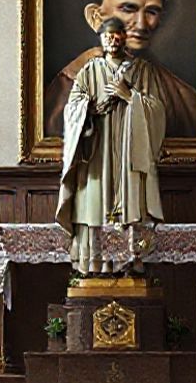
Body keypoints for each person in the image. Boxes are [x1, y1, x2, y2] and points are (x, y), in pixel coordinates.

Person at [44, 0, 196, 139]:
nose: (142, 24)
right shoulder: (70, 83)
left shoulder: (183, 96)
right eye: (128, 9)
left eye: (151, 11)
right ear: (96, 17)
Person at [55, 17, 165, 274]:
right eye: (107, 36)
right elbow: (71, 110)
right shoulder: (89, 71)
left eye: (117, 35)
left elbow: (158, 110)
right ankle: (95, 265)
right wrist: (91, 109)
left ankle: (130, 264)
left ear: (124, 38)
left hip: (129, 151)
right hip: (97, 152)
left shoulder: (142, 71)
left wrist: (130, 97)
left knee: (130, 205)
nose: (112, 40)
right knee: (95, 203)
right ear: (100, 39)